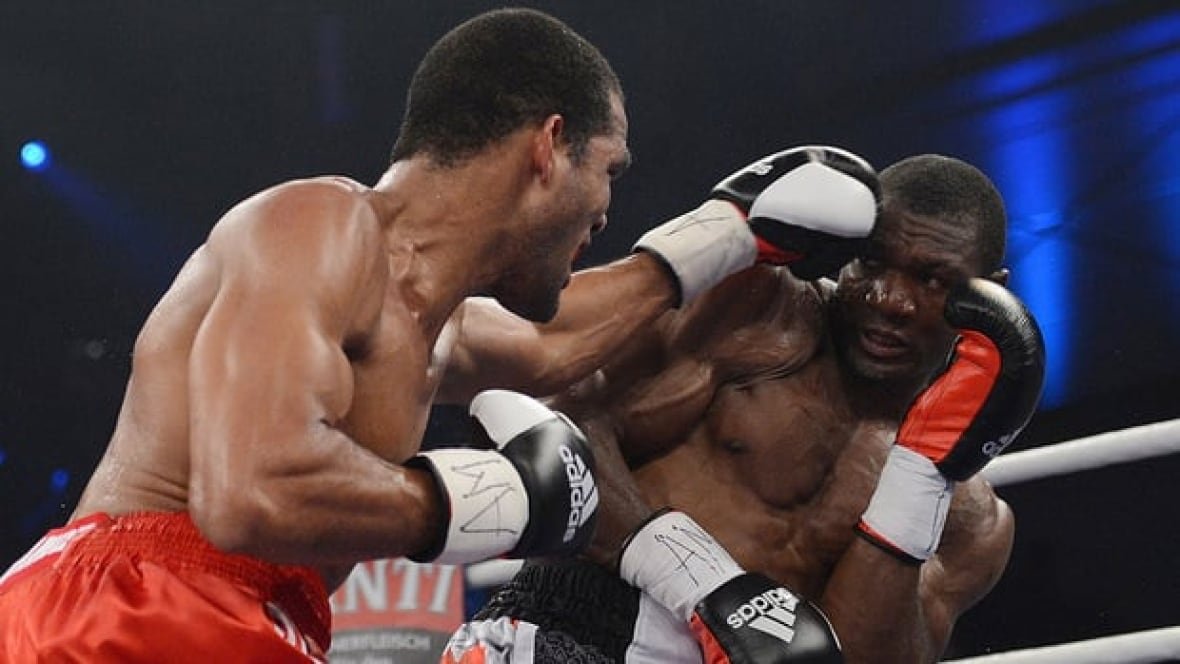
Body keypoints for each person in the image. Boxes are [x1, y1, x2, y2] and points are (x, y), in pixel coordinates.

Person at [0, 8, 881, 663]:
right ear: (549, 146)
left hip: (249, 616)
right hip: (130, 606)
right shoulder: (316, 224)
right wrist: (485, 500)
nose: (608, 209)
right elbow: (249, 493)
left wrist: (726, 230)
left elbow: (559, 343)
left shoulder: (436, 321)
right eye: (609, 172)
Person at [448, 154, 1046, 663]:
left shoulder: (969, 518)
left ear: (989, 292)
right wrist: (700, 579)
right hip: (577, 626)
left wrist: (922, 473)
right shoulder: (756, 313)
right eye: (873, 262)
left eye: (932, 280)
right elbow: (555, 421)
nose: (888, 298)